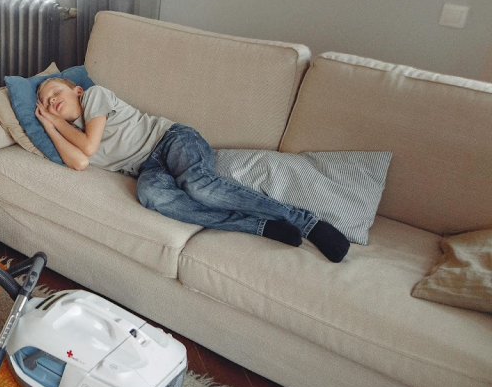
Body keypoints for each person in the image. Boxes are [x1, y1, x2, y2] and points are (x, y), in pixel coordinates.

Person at [34, 76, 350, 263]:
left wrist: (56, 122)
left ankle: (306, 222)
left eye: (55, 93)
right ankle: (261, 227)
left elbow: (88, 147)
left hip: (172, 140)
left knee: (199, 187)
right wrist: (49, 127)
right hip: (148, 167)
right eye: (45, 103)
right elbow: (81, 162)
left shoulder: (94, 96)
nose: (51, 103)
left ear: (76, 90)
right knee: (151, 195)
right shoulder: (65, 131)